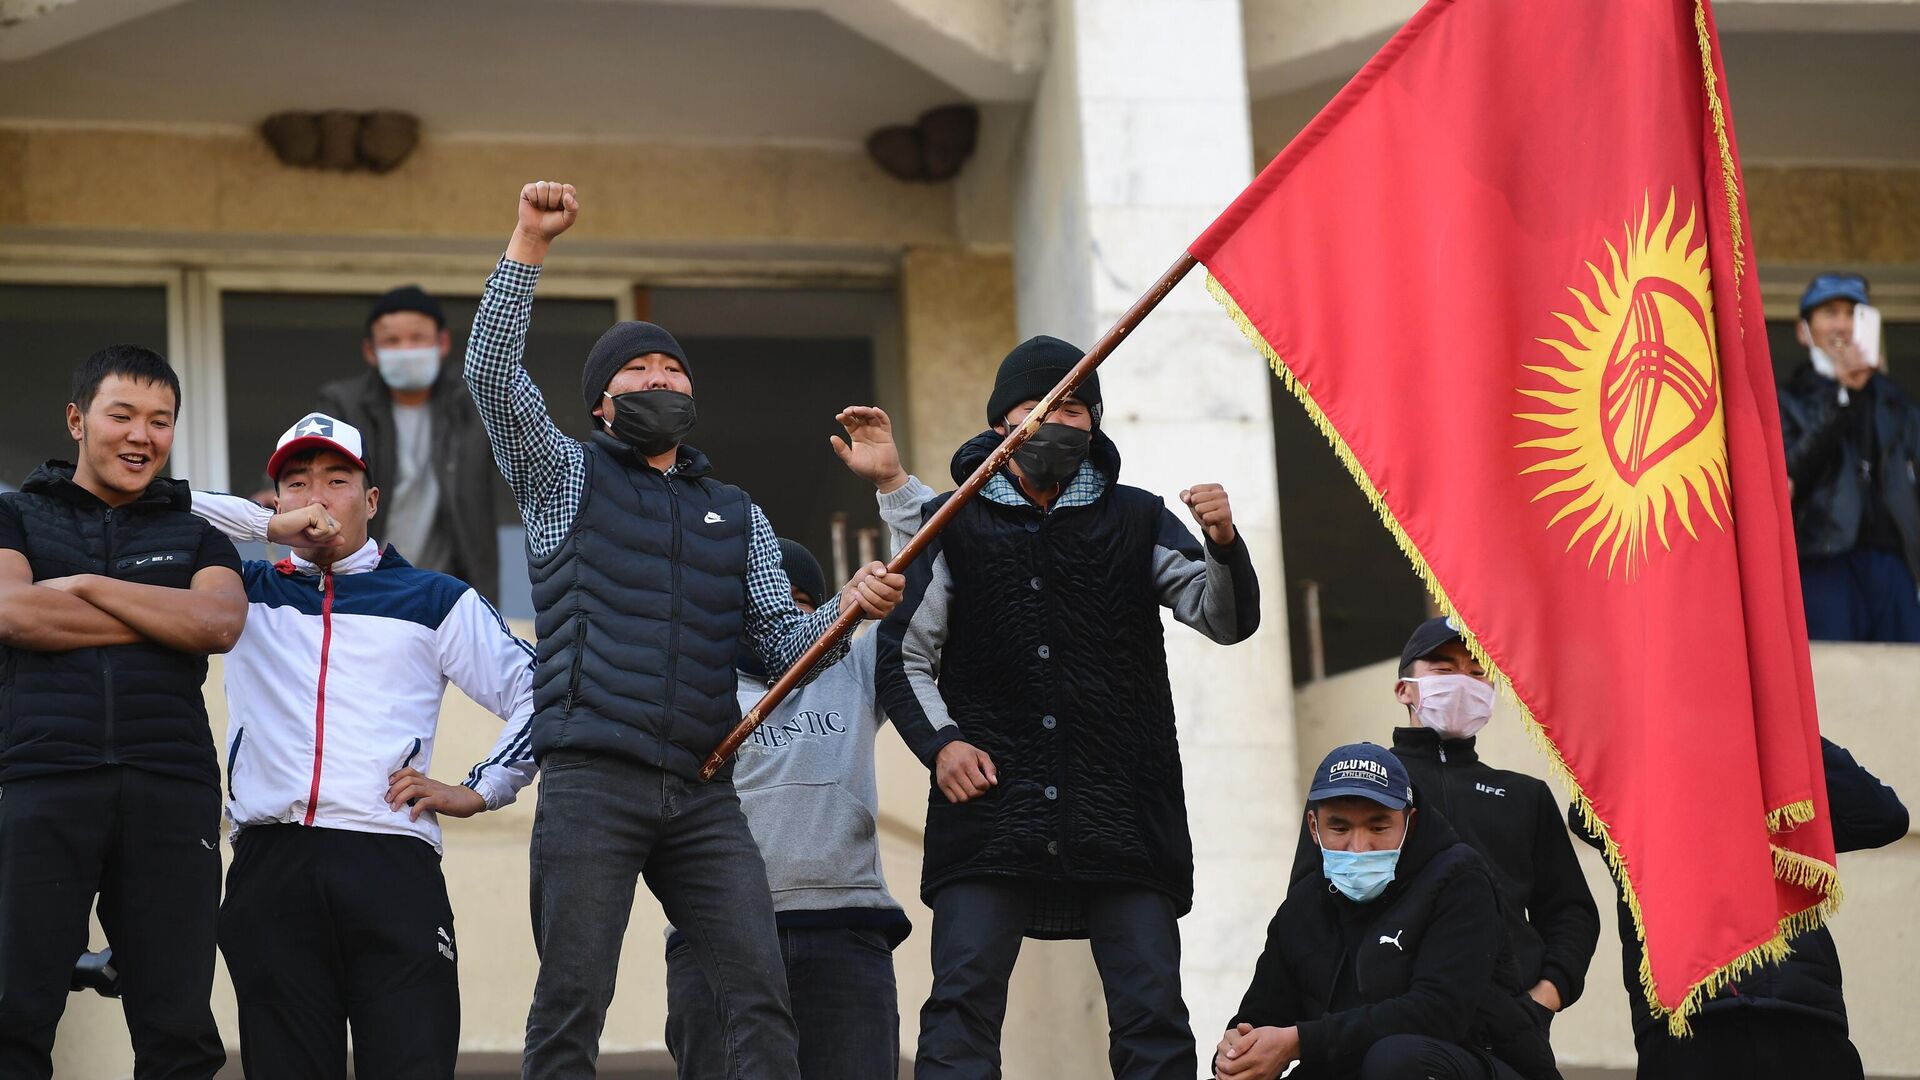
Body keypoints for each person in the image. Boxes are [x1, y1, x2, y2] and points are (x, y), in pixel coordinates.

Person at [462, 180, 906, 1079]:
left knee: (759, 996)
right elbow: (490, 377)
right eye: (637, 372)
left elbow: (784, 645)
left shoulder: (733, 512)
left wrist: (848, 606)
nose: (660, 380)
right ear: (600, 404)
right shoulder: (566, 478)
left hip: (704, 791)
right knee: (572, 999)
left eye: (673, 371)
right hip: (592, 778)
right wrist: (528, 243)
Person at [865, 336, 1261, 1080]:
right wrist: (944, 745)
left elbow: (1223, 618)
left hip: (1127, 817)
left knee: (1153, 1016)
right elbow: (902, 659)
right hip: (987, 814)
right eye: (1031, 408)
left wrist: (1223, 541)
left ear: (1096, 423)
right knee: (960, 1008)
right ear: (998, 426)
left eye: (1070, 406)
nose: (1050, 421)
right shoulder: (951, 525)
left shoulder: (1141, 519)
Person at [189, 412, 538, 1079]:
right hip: (272, 864)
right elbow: (155, 505)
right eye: (296, 482)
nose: (316, 497)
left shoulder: (433, 597)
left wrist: (482, 786)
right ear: (276, 503)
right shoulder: (244, 592)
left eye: (337, 479)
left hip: (391, 865)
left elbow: (543, 690)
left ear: (372, 500)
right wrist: (259, 528)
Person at [0, 346, 248, 1079]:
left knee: (178, 1029)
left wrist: (82, 588)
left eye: (161, 421)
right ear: (78, 420)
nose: (143, 435)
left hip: (170, 790)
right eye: (123, 415)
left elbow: (219, 626)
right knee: (15, 1013)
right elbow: (14, 615)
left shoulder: (197, 535)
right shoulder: (14, 516)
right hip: (40, 780)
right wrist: (158, 617)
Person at [665, 538, 915, 1080]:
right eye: (765, 601)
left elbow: (923, 589)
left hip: (847, 931)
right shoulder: (683, 685)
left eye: (802, 601)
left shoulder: (856, 666)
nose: (786, 616)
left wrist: (893, 488)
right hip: (716, 940)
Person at [1572, 737, 1907, 1079]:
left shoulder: (1772, 761)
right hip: (1691, 1020)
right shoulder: (1640, 752)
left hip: (1801, 1013)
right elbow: (1586, 812)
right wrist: (1667, 723)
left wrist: (1775, 724)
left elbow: (1880, 816)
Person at [1218, 743, 1558, 1080]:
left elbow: (1438, 1012)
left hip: (1474, 1061)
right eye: (1339, 828)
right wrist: (1237, 1052)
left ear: (1409, 822)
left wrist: (1298, 1042)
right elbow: (1262, 1012)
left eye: (1379, 828)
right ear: (1313, 827)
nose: (1359, 847)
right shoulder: (1303, 904)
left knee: (1396, 1061)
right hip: (1354, 1067)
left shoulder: (1459, 878)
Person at [1376, 618, 1598, 1029]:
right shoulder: (1366, 785)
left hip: (1508, 1032)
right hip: (1387, 1026)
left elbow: (1570, 911)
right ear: (1403, 689)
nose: (1463, 682)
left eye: (1477, 673)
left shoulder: (1524, 796)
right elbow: (1309, 911)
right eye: (1443, 670)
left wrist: (1543, 998)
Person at [314, 285, 503, 601]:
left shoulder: (473, 404)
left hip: (448, 595)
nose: (406, 349)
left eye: (417, 339)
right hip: (362, 589)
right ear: (371, 351)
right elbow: (308, 455)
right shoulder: (343, 406)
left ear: (442, 343)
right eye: (391, 341)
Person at [1777, 271, 1920, 642]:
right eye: (1829, 313)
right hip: (1824, 562)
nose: (1842, 324)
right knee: (1831, 683)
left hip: (1894, 563)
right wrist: (1844, 397)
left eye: (1852, 313)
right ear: (1803, 330)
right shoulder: (1787, 399)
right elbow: (1788, 474)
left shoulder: (1893, 399)